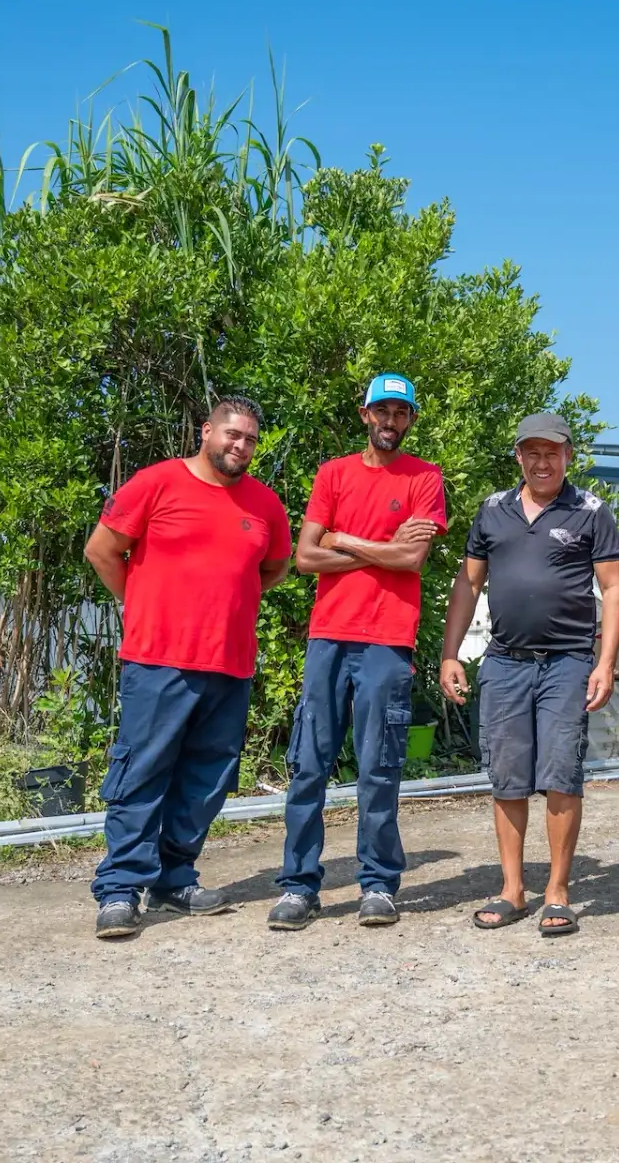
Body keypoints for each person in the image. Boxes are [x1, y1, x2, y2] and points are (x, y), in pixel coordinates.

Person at [83, 396, 292, 940]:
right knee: (141, 773)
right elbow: (101, 551)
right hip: (158, 660)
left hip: (230, 663)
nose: (240, 445)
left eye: (250, 439)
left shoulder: (265, 504)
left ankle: (174, 879)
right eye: (231, 434)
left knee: (207, 779)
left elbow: (273, 569)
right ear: (207, 431)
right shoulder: (156, 483)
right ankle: (120, 889)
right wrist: (142, 603)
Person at [269, 374, 447, 932]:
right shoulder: (333, 474)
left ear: (410, 419)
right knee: (309, 765)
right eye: (382, 410)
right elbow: (304, 558)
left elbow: (411, 560)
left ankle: (378, 884)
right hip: (329, 636)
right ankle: (299, 886)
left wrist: (342, 539)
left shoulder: (425, 477)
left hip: (387, 640)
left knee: (379, 767)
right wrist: (383, 548)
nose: (391, 421)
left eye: (401, 412)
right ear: (365, 414)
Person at [439, 413, 619, 938]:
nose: (543, 462)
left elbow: (614, 590)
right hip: (505, 662)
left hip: (567, 663)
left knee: (562, 775)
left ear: (568, 456)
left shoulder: (591, 511)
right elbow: (467, 585)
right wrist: (450, 654)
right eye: (533, 452)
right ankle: (512, 890)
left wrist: (605, 662)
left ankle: (558, 892)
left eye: (553, 452)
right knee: (508, 777)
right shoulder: (492, 510)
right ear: (519, 456)